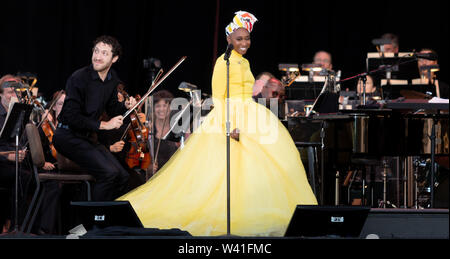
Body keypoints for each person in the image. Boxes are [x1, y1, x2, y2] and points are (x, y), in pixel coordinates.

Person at [118, 11, 317, 237]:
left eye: (247, 38)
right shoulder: (224, 63)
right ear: (229, 39)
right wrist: (228, 124)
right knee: (224, 173)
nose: (244, 42)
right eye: (239, 38)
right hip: (231, 117)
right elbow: (219, 97)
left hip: (251, 115)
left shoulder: (245, 61)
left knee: (262, 168)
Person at [53, 35, 137, 201]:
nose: (98, 56)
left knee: (123, 176)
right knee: (108, 173)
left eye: (105, 53)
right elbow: (70, 116)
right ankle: (92, 224)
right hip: (68, 136)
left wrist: (125, 107)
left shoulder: (112, 79)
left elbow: (113, 109)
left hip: (88, 137)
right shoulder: (79, 78)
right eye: (96, 51)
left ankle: (108, 222)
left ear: (114, 58)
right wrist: (103, 125)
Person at [0, 74, 31, 233]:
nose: (13, 96)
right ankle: (11, 224)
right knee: (21, 176)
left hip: (14, 162)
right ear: (0, 95)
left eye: (15, 93)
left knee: (29, 174)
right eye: (9, 93)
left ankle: (24, 225)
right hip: (2, 161)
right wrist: (7, 156)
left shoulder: (19, 114)